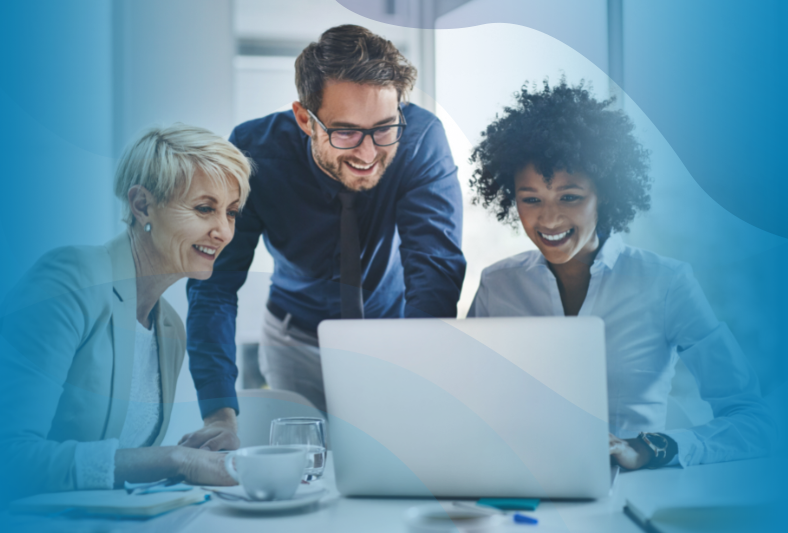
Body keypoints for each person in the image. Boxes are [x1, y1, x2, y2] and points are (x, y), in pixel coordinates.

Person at [467, 80, 775, 469]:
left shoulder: (666, 283)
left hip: (630, 501)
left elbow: (754, 422)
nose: (548, 219)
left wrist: (648, 448)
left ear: (606, 192)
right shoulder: (498, 286)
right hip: (519, 492)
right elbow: (464, 408)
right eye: (531, 199)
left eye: (570, 196)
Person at [185, 25, 466, 419]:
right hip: (294, 340)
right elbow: (214, 284)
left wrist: (418, 376)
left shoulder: (420, 140)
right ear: (305, 119)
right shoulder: (254, 153)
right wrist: (217, 409)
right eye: (347, 132)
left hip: (395, 335)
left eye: (384, 127)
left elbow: (434, 269)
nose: (368, 153)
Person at [0, 124, 251, 502]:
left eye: (231, 213)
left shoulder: (169, 328)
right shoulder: (71, 279)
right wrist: (175, 460)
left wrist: (202, 457)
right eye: (204, 208)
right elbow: (3, 457)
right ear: (142, 204)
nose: (223, 232)